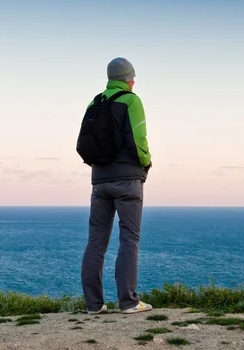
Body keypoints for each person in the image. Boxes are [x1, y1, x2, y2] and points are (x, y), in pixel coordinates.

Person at [79, 57, 153, 314]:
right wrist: (146, 162)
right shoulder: (132, 101)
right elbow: (138, 138)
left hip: (99, 181)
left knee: (96, 242)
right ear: (128, 79)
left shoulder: (94, 102)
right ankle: (129, 302)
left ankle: (93, 305)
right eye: (133, 78)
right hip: (128, 180)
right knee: (129, 240)